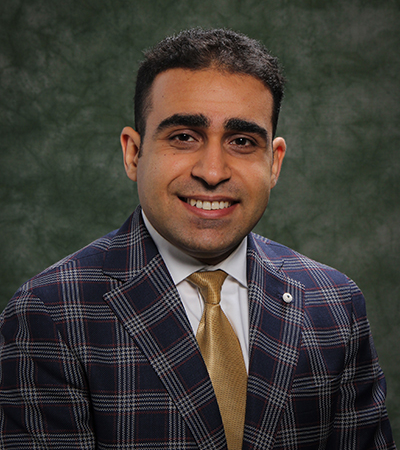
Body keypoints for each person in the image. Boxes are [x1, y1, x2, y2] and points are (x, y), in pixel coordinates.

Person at [0, 28, 395, 450]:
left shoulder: (335, 304)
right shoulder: (49, 313)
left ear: (274, 163)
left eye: (242, 141)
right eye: (184, 137)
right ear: (133, 153)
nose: (212, 172)